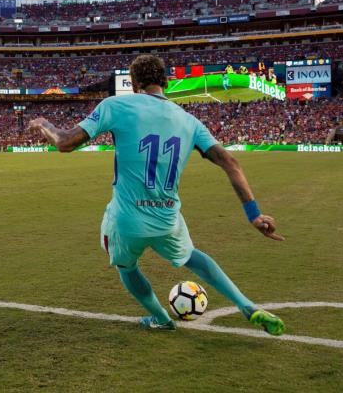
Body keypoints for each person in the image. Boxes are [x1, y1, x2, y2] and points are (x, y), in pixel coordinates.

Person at [28, 54, 285, 335]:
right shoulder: (189, 121)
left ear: (133, 83)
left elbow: (65, 142)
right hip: (167, 220)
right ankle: (247, 305)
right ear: (165, 82)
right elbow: (230, 163)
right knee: (192, 257)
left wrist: (44, 125)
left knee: (126, 266)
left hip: (127, 220)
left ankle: (161, 319)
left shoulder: (115, 105)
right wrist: (254, 214)